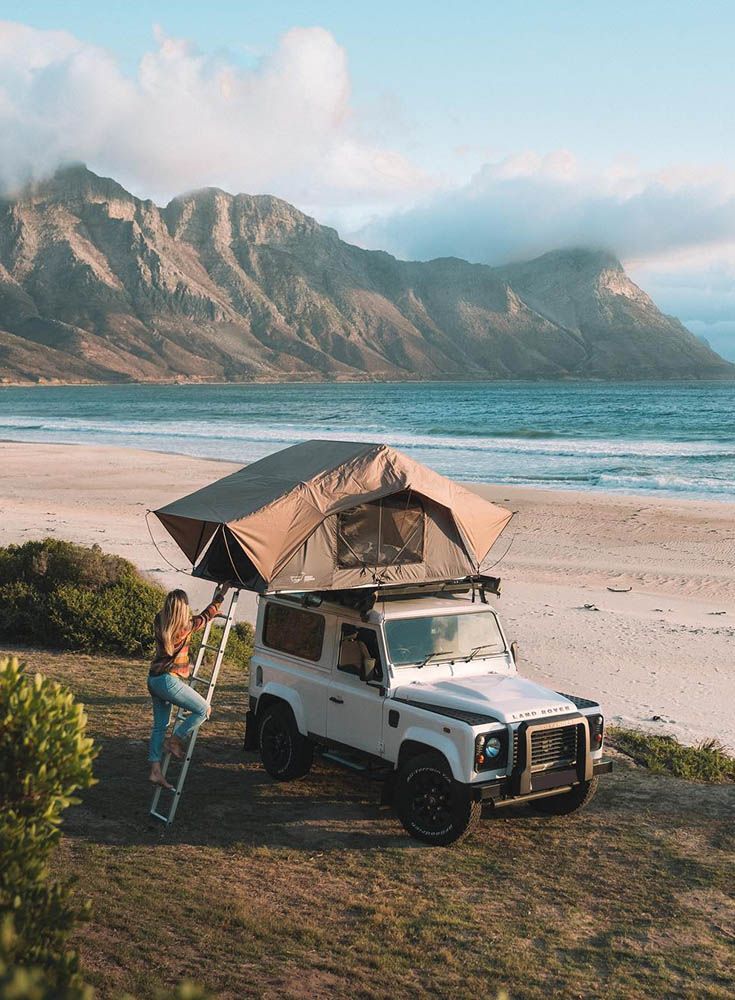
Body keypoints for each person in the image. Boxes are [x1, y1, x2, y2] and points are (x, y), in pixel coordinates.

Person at [147, 583, 229, 789]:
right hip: (167, 680)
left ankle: (155, 771)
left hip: (153, 679)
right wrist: (221, 596)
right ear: (183, 609)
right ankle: (175, 740)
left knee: (159, 727)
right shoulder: (185, 627)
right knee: (203, 709)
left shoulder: (160, 620)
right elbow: (206, 616)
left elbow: (201, 617)